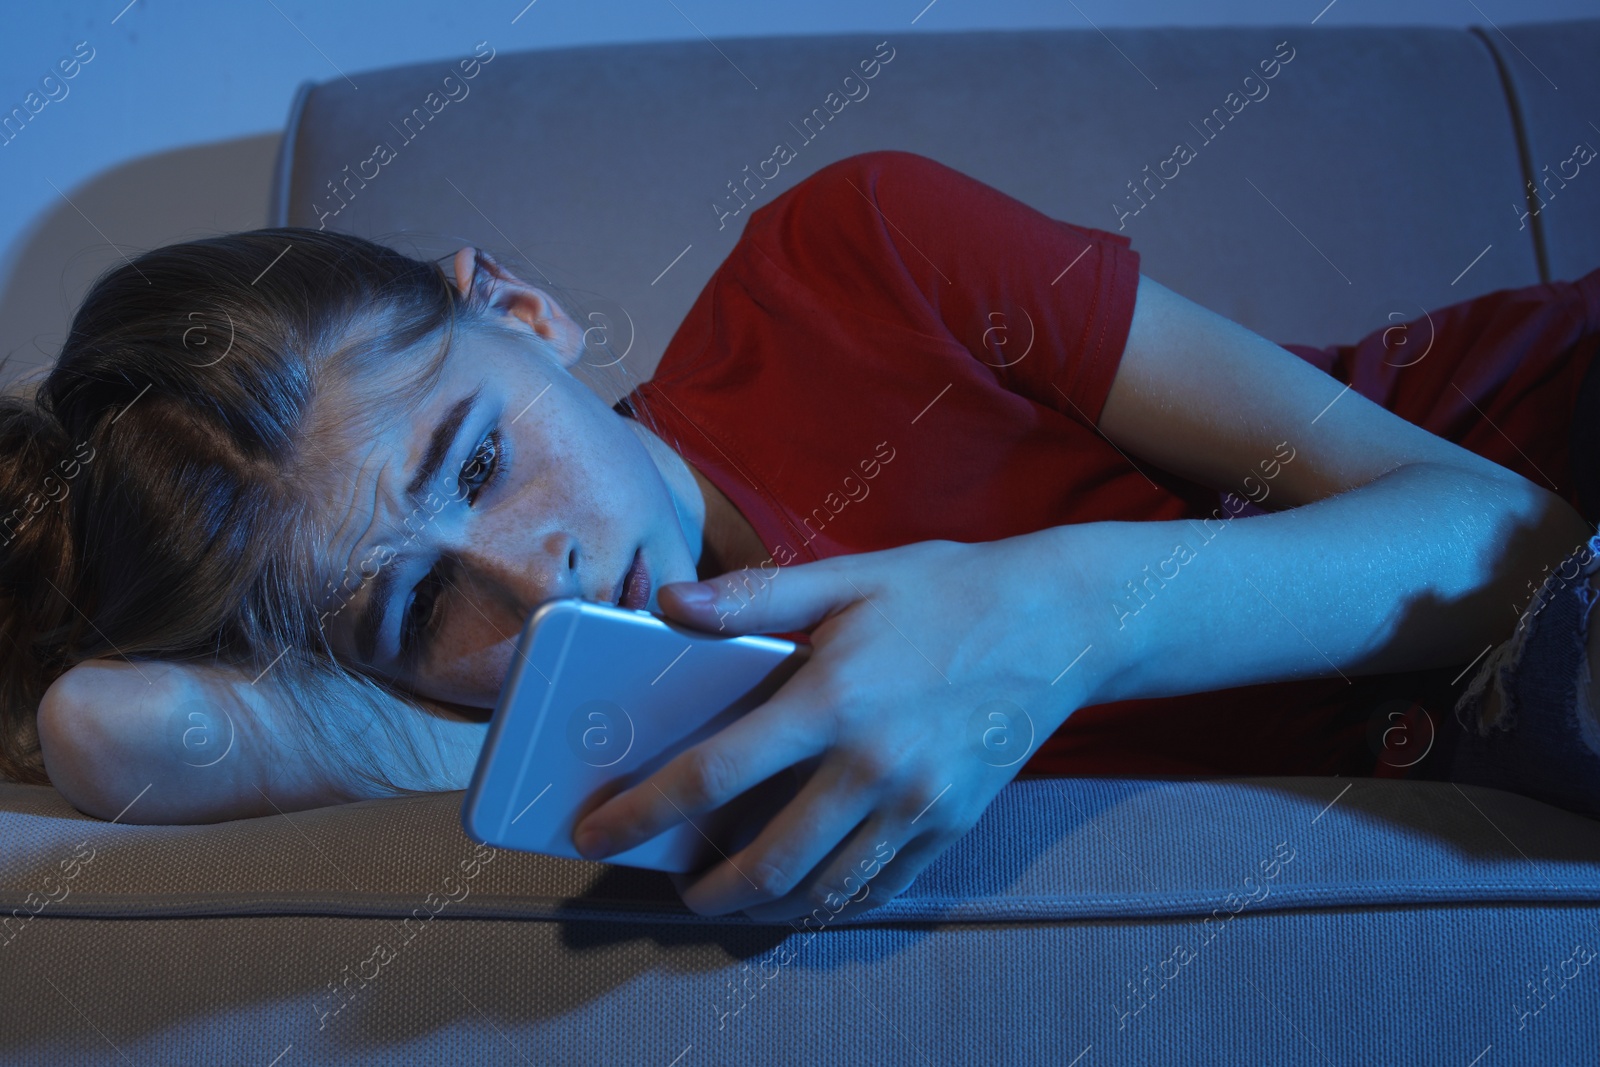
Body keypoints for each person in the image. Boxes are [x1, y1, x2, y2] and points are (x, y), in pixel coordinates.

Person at [4, 150, 1598, 924]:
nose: (529, 574)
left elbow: (1511, 537)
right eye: (417, 610)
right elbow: (110, 722)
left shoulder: (858, 262)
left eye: (482, 455)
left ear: (525, 310)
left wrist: (1055, 611)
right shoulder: (586, 736)